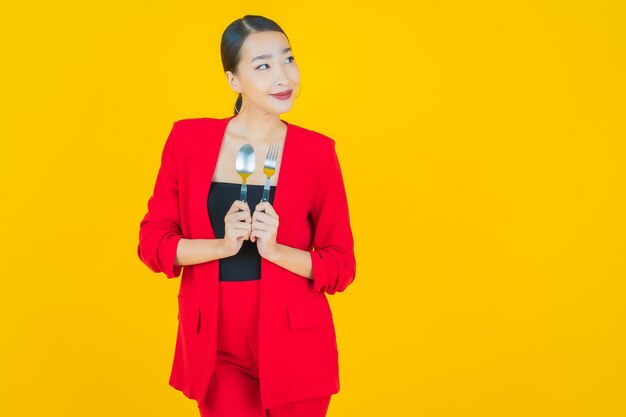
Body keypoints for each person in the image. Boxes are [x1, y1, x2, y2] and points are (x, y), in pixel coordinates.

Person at [137, 14, 356, 417]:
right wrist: (221, 245)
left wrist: (275, 251)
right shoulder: (188, 140)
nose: (283, 76)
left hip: (295, 339)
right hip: (216, 343)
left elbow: (341, 265)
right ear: (233, 80)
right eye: (263, 65)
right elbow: (153, 243)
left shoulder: (317, 153)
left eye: (288, 59)